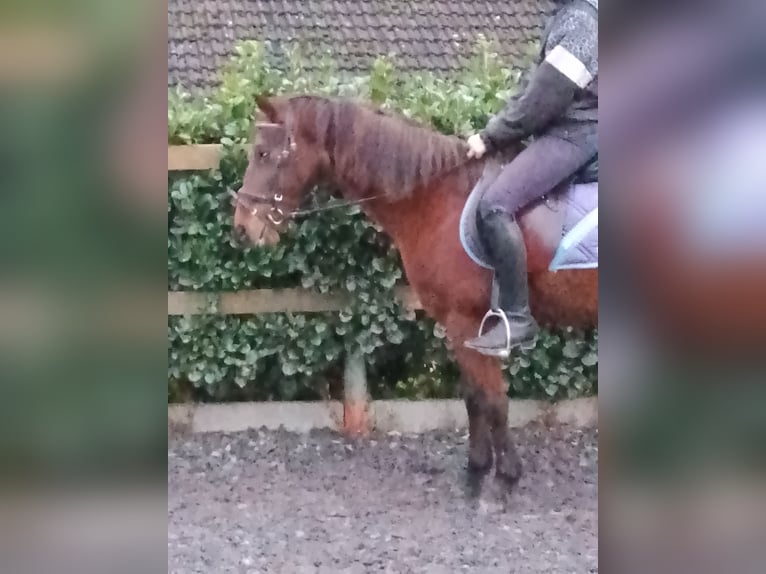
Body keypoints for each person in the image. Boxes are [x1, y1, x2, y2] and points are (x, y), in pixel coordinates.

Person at [463, 0, 599, 357]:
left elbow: (545, 96)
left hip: (577, 134)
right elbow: (530, 85)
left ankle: (516, 320)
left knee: (494, 205)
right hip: (566, 128)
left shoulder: (583, 21)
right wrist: (498, 126)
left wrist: (492, 138)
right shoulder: (565, 17)